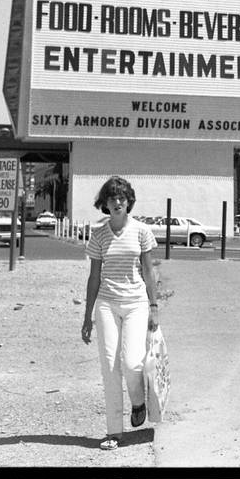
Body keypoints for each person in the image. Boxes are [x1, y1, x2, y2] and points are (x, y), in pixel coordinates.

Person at [81, 176, 159, 450]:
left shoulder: (141, 231)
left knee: (132, 363)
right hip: (106, 304)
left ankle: (138, 402)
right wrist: (87, 316)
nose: (117, 202)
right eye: (112, 198)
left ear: (129, 202)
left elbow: (149, 271)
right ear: (105, 203)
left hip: (136, 303)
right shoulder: (99, 234)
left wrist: (154, 306)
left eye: (121, 198)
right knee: (110, 367)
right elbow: (94, 277)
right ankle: (114, 432)